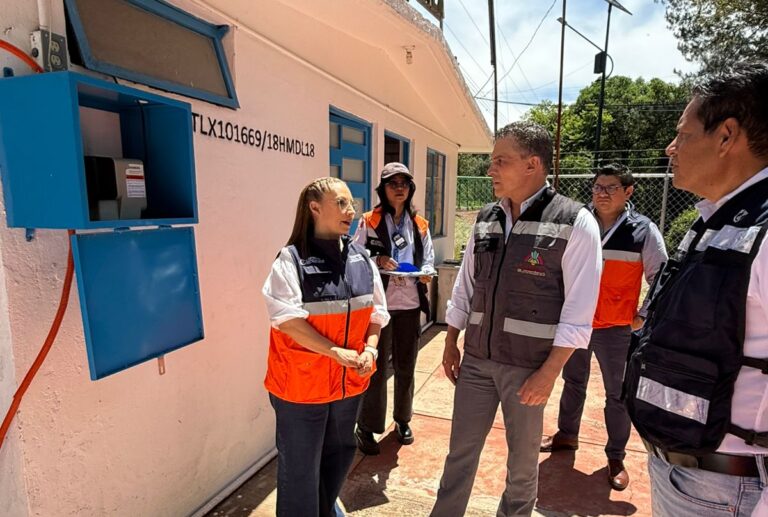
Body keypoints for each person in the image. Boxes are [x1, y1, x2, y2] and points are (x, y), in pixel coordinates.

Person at [431, 121, 603, 517]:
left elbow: (579, 311)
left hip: (529, 368)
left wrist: (549, 373)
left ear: (532, 164)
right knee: (460, 454)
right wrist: (450, 339)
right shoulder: (487, 218)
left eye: (500, 161)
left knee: (522, 467)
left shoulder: (574, 222)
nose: (491, 170)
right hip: (475, 360)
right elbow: (466, 284)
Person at [623, 62, 768, 515]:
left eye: (682, 135)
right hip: (689, 474)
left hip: (730, 488)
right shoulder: (712, 223)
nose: (670, 148)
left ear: (727, 136)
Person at [262, 177, 390, 517]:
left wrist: (371, 350)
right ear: (314, 207)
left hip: (347, 385)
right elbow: (286, 320)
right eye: (342, 203)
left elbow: (377, 314)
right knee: (300, 470)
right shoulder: (290, 260)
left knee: (339, 454)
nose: (352, 211)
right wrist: (336, 353)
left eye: (352, 204)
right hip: (301, 387)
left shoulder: (362, 259)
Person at [541, 163, 668, 491]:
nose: (603, 193)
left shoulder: (643, 230)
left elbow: (661, 276)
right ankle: (567, 435)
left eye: (612, 187)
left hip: (617, 328)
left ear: (628, 192)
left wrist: (644, 313)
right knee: (573, 382)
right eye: (598, 187)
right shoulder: (580, 223)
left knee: (617, 393)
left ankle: (615, 455)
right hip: (578, 323)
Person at [353, 162, 435, 455]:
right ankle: (366, 427)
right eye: (393, 183)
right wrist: (377, 261)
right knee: (374, 369)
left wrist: (426, 271)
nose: (399, 188)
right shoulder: (369, 220)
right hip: (380, 306)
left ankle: (402, 420)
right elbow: (354, 255)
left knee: (406, 367)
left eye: (404, 183)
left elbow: (428, 258)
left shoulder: (419, 223)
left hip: (409, 304)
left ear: (410, 188)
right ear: (383, 189)